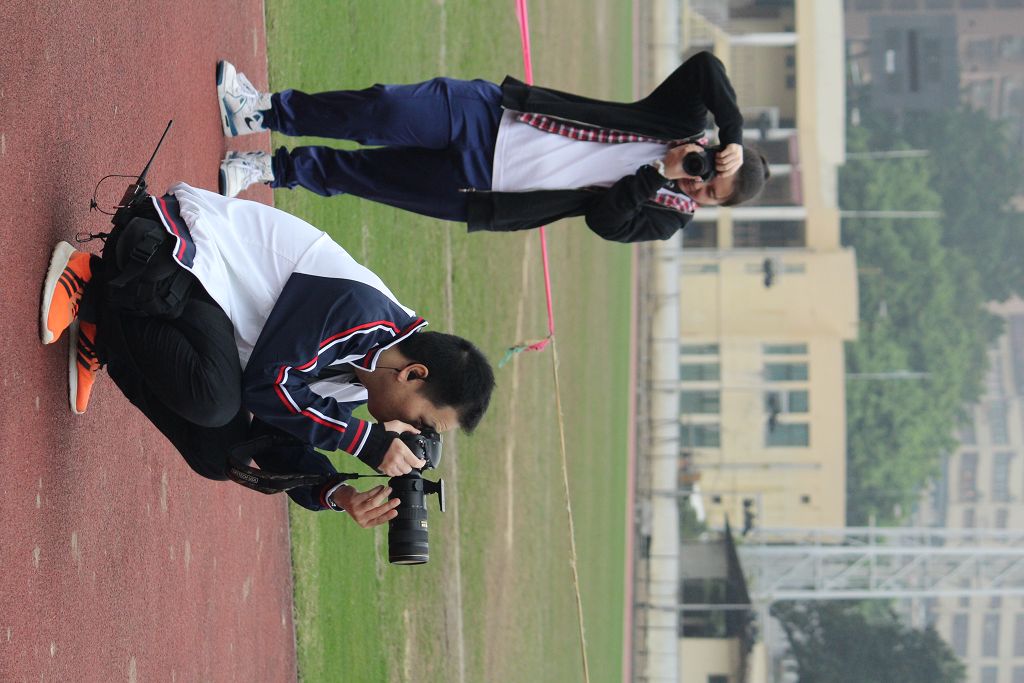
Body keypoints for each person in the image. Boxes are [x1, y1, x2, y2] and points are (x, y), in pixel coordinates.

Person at [39, 184, 495, 526]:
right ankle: (94, 282)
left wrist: (337, 493)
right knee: (214, 398)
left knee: (225, 455)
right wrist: (362, 440)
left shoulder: (364, 376)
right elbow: (267, 385)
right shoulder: (361, 312)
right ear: (413, 374)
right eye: (422, 422)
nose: (411, 432)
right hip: (171, 252)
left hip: (196, 304)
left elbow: (275, 436)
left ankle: (109, 336)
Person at [215, 51, 769, 244]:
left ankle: (265, 168)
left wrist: (657, 175)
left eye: (708, 194)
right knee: (382, 109)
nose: (698, 184)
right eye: (711, 171)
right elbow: (705, 67)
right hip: (498, 116)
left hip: (489, 186)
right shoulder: (680, 122)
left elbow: (605, 222)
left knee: (365, 176)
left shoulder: (668, 216)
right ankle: (260, 111)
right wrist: (735, 134)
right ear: (717, 151)